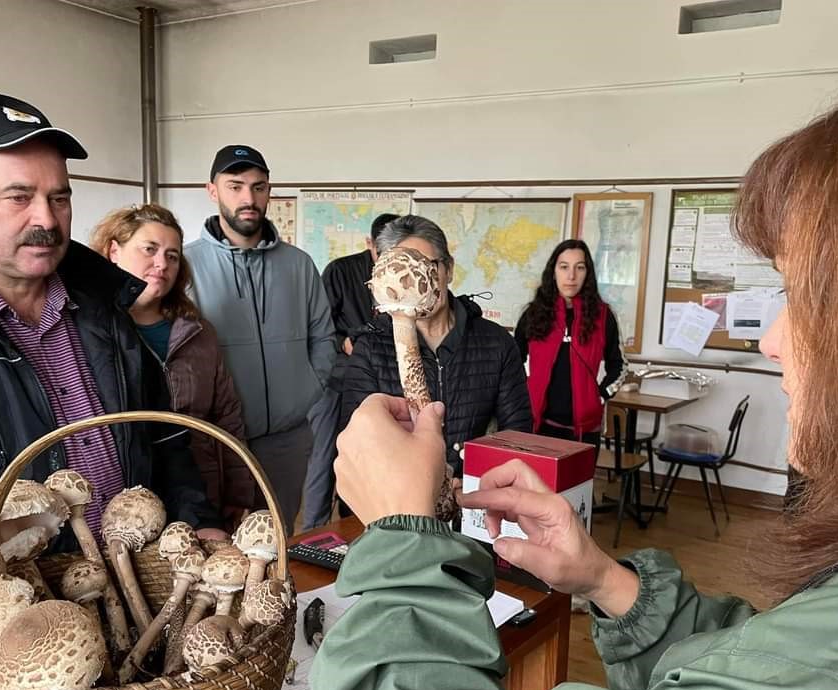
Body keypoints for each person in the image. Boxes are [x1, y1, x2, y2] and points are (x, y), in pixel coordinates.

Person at [312, 106, 838, 690]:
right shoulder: (394, 340)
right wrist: (605, 580)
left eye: (800, 293)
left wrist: (408, 552)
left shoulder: (541, 330)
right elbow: (745, 655)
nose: (769, 340)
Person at [0, 92, 222, 559]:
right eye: (19, 197)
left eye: (59, 197)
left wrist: (200, 524)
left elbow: (164, 439)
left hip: (140, 585)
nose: (47, 219)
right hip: (11, 614)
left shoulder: (107, 309)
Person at [185, 145, 335, 531]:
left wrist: (309, 389)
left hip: (287, 440)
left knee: (278, 540)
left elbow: (323, 335)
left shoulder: (299, 264)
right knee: (222, 551)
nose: (248, 199)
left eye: (259, 187)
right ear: (212, 190)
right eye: (235, 187)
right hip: (218, 444)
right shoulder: (186, 266)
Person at [90, 203, 252, 531]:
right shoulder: (90, 333)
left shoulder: (197, 333)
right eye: (149, 249)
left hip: (202, 496)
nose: (161, 263)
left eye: (173, 255)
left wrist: (239, 494)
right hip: (125, 507)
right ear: (113, 251)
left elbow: (227, 419)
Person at [340, 215, 532, 477]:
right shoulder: (369, 350)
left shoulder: (498, 344)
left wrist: (475, 482)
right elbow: (357, 444)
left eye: (426, 267)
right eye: (398, 271)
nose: (411, 284)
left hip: (477, 499)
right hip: (401, 503)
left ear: (448, 269)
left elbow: (517, 435)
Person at [302, 212, 399, 530]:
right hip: (336, 379)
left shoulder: (400, 273)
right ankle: (312, 532)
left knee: (369, 461)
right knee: (323, 460)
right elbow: (317, 326)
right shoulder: (340, 271)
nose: (390, 259)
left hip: (379, 381)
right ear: (369, 244)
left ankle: (357, 528)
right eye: (382, 251)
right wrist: (345, 340)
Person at [514, 239, 626, 446]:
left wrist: (599, 397)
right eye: (564, 267)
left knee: (580, 480)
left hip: (585, 432)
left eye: (579, 268)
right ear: (553, 271)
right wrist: (525, 396)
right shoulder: (533, 314)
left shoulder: (603, 316)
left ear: (588, 273)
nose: (571, 276)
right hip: (537, 427)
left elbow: (619, 366)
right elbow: (512, 363)